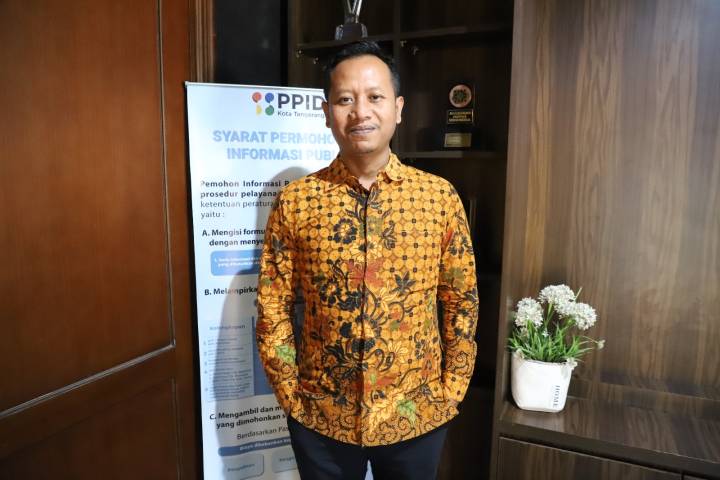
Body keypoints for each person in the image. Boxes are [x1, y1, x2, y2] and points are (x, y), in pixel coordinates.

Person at [256, 40, 478, 480]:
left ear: (398, 108)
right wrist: (291, 395)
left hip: (416, 414)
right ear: (327, 113)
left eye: (375, 97)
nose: (360, 112)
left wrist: (451, 391)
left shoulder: (438, 198)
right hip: (321, 417)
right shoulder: (296, 201)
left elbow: (461, 302)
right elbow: (272, 305)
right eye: (345, 99)